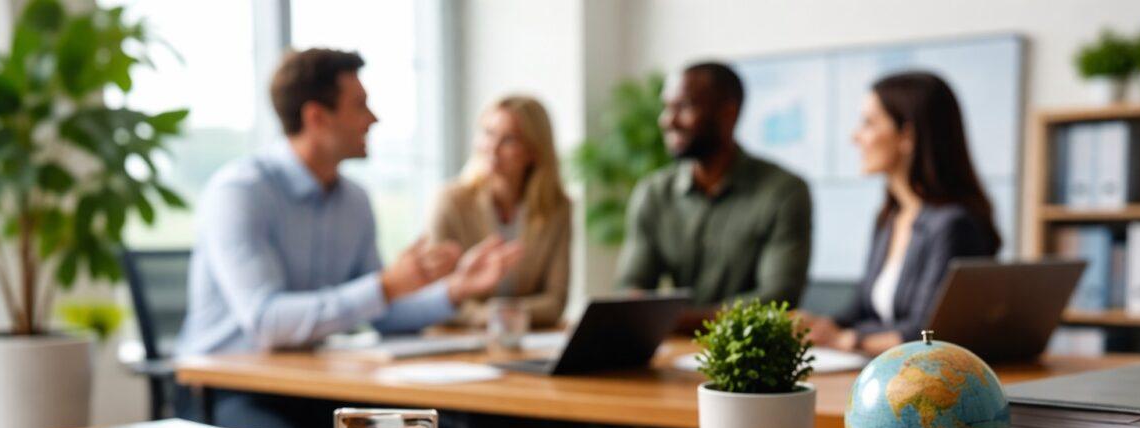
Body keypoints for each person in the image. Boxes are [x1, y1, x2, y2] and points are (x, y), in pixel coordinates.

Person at [174, 49, 522, 428]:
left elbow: (380, 311)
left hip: (315, 385)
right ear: (316, 117)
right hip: (229, 389)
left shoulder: (353, 201)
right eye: (360, 105)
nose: (373, 119)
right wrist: (386, 285)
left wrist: (454, 290)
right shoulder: (240, 192)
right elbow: (267, 322)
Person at [804, 71, 1001, 355]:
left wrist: (851, 340)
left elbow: (929, 332)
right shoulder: (890, 217)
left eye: (869, 123)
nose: (855, 137)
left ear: (907, 136)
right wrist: (820, 326)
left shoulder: (953, 225)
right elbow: (863, 307)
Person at [615, 61, 812, 331]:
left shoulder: (784, 192)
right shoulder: (654, 192)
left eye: (684, 107)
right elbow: (632, 286)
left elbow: (777, 297)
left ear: (728, 114)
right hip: (670, 354)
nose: (667, 121)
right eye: (667, 107)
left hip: (749, 352)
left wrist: (670, 318)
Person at [428, 96, 571, 328]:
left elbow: (555, 301)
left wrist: (505, 316)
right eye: (488, 133)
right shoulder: (451, 202)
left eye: (509, 139)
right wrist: (490, 316)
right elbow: (435, 296)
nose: (492, 147)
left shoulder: (557, 209)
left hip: (525, 341)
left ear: (534, 151)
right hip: (460, 339)